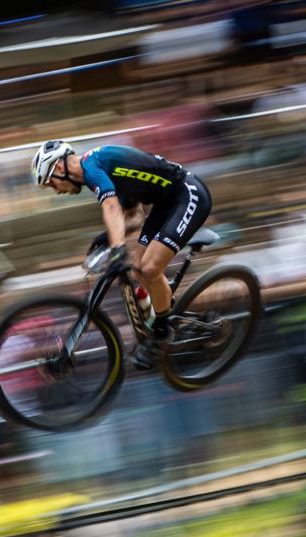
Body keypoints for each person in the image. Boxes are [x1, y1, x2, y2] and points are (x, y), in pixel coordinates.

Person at [31, 140, 213, 369]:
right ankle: (164, 311)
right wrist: (109, 238)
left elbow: (111, 206)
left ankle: (162, 333)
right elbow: (135, 216)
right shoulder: (101, 169)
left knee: (150, 268)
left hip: (188, 195)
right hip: (165, 204)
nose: (57, 191)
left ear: (58, 168)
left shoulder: (92, 167)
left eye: (52, 184)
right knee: (139, 269)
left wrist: (118, 248)